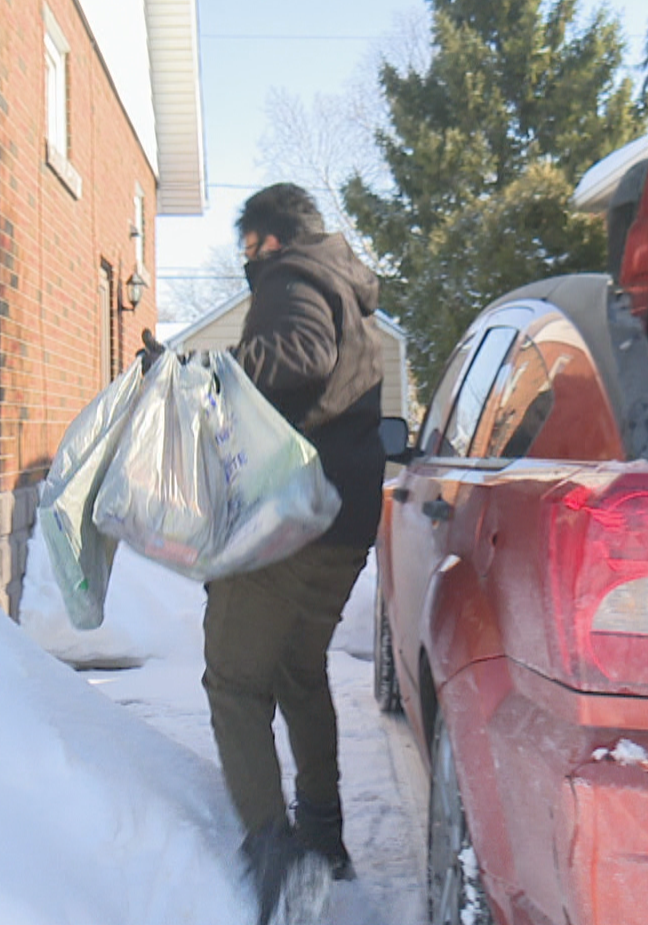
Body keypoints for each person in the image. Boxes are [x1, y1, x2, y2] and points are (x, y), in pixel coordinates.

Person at [201, 183, 385, 922]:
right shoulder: (344, 286)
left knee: (235, 683)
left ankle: (276, 855)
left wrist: (215, 373)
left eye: (248, 245)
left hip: (292, 519)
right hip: (345, 523)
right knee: (296, 673)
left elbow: (299, 355)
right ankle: (324, 832)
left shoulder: (293, 278)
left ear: (270, 239)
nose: (247, 259)